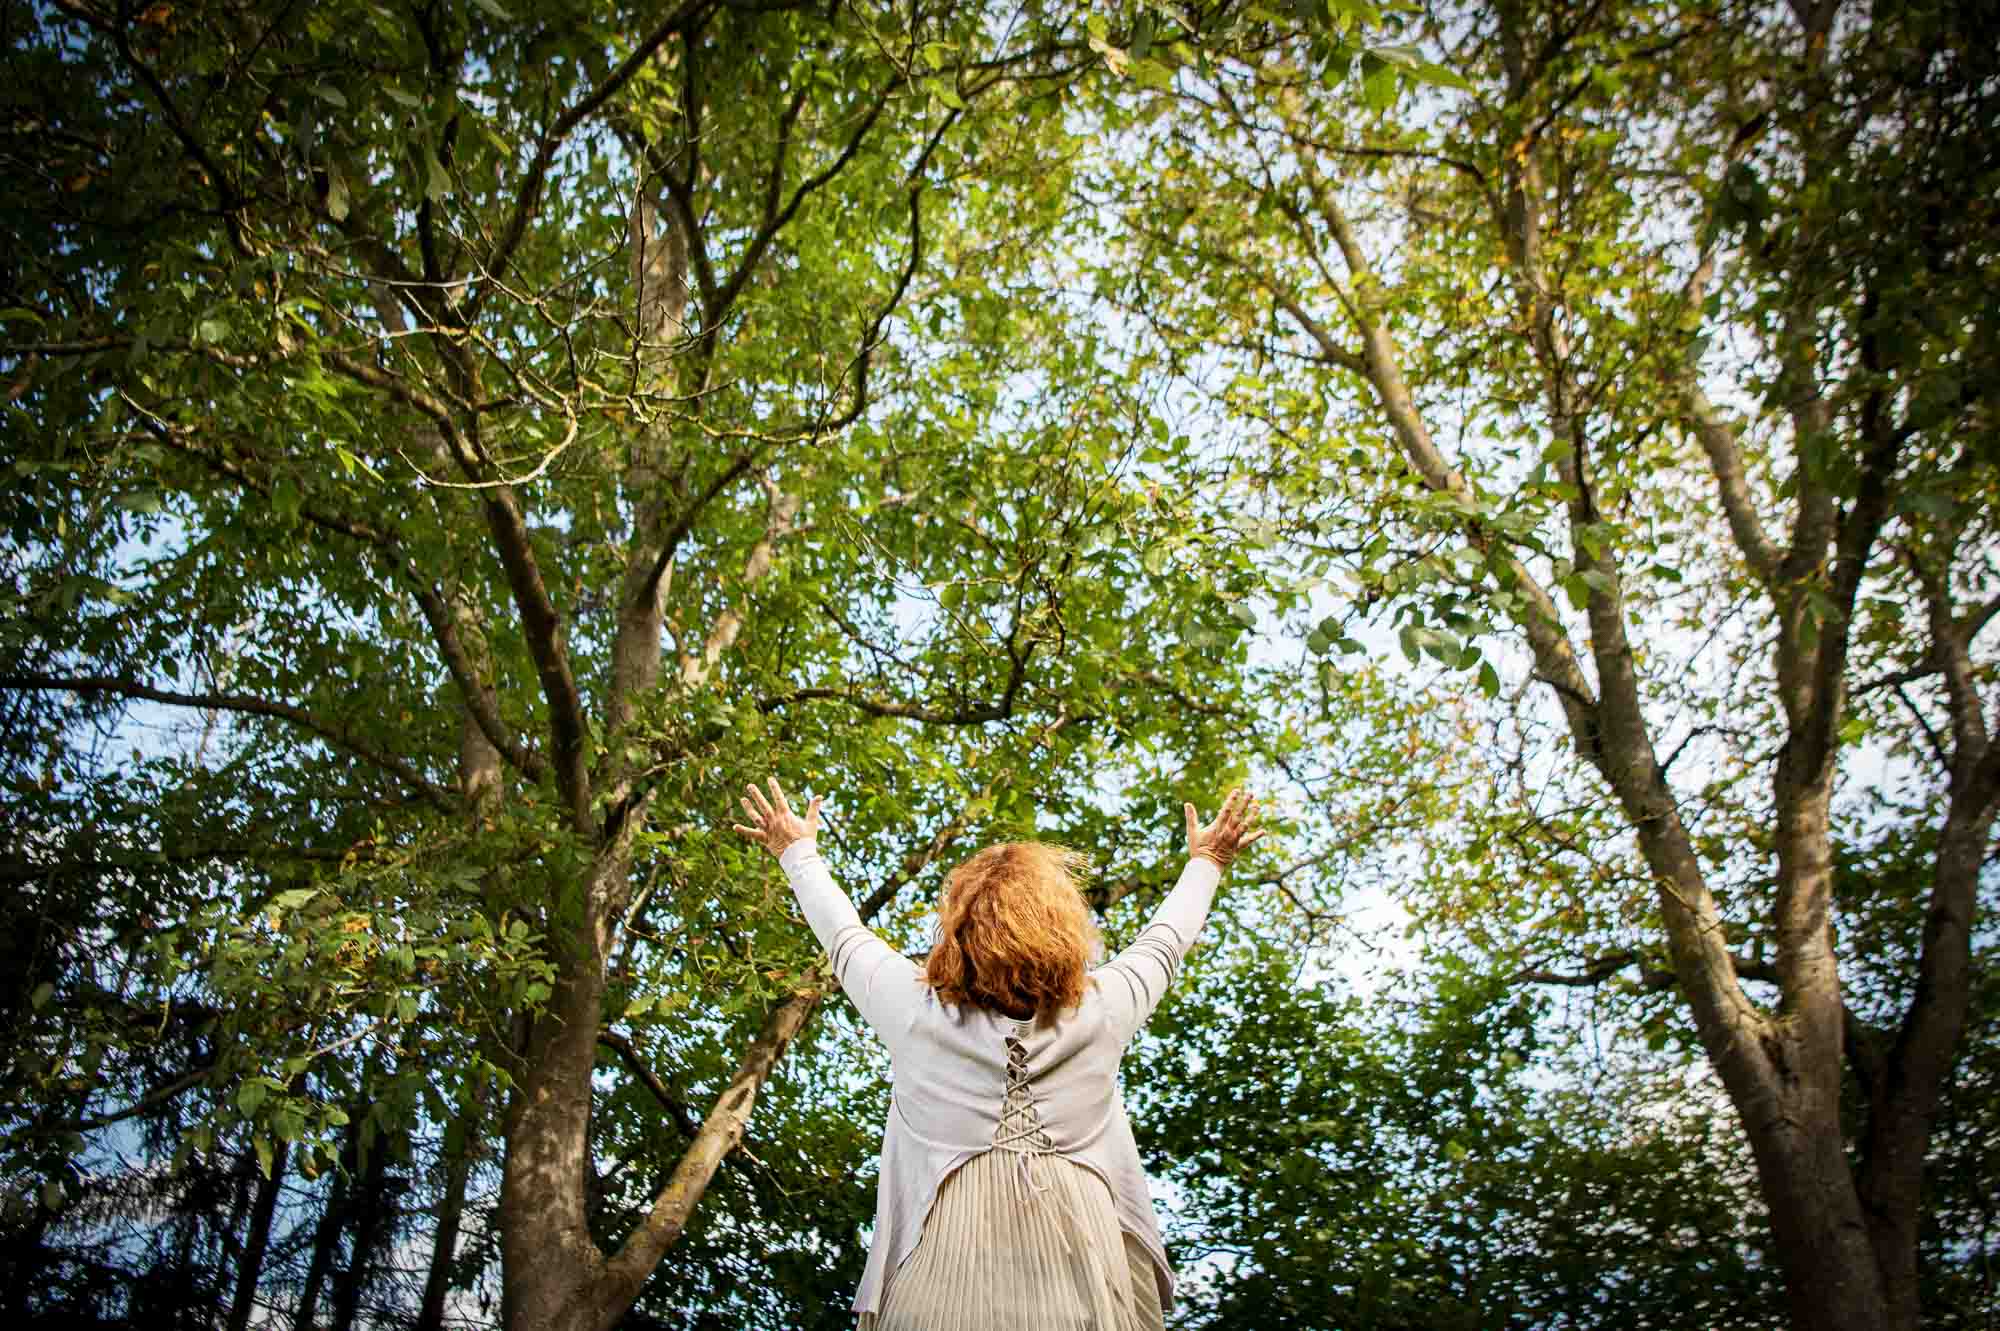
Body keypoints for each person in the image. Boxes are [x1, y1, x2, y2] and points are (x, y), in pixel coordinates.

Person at [733, 777, 1264, 1330]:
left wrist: (795, 850)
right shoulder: (1104, 1011)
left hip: (937, 1297)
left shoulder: (915, 1012)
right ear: (1064, 931)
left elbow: (844, 935)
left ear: (959, 933)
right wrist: (1209, 858)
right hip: (1081, 1291)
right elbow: (1166, 941)